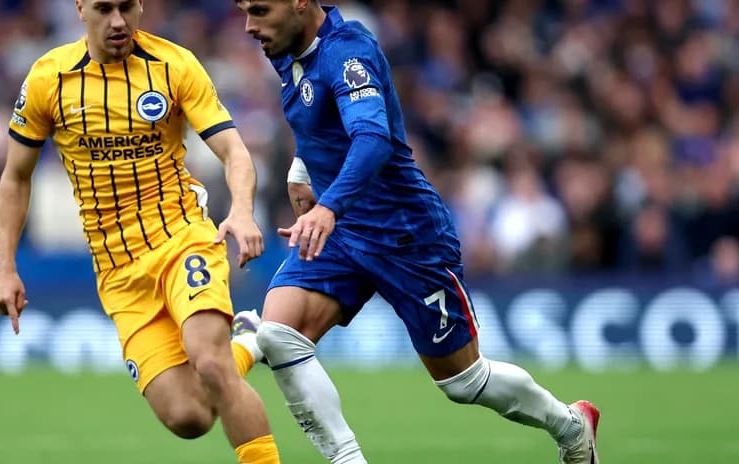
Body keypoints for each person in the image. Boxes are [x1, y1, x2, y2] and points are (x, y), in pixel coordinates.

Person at [234, 1, 600, 463]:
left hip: (404, 235)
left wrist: (327, 206)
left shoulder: (348, 55)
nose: (250, 26)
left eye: (260, 10)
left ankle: (570, 425)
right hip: (343, 232)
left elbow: (372, 139)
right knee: (278, 333)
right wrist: (301, 168)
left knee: (463, 382)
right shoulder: (284, 46)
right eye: (245, 11)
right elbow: (316, 124)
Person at [0, 1, 280, 462]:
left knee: (209, 360)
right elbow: (15, 177)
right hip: (119, 269)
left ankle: (230, 358)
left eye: (128, 6)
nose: (119, 21)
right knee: (189, 417)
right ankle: (247, 341)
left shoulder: (174, 65)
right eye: (105, 9)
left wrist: (242, 212)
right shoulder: (48, 79)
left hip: (182, 237)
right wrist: (5, 267)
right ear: (81, 8)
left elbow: (235, 151)